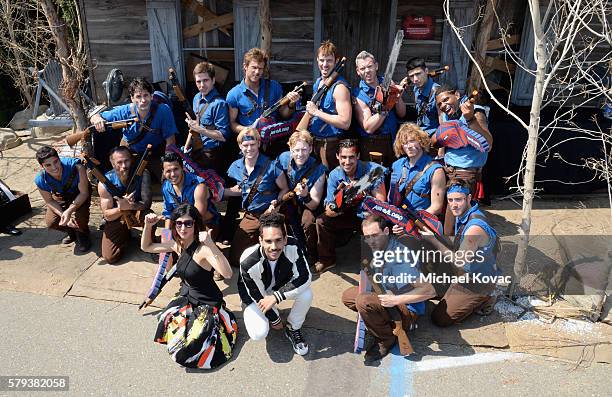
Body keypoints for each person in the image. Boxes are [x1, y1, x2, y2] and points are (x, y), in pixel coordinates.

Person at [140, 203, 237, 369]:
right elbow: (146, 246)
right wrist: (148, 226)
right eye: (179, 223)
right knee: (165, 319)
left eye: (188, 223)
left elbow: (228, 274)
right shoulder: (177, 245)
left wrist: (212, 244)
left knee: (188, 352)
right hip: (188, 297)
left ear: (195, 224)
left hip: (208, 303)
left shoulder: (204, 250)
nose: (183, 227)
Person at [342, 215, 436, 363]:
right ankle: (381, 321)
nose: (371, 240)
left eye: (375, 235)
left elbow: (429, 290)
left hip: (406, 309)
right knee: (348, 296)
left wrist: (395, 300)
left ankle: (386, 339)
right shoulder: (379, 246)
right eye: (367, 237)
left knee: (363, 301)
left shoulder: (399, 258)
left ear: (386, 231)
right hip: (388, 294)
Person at [425, 179, 499, 327]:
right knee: (428, 288)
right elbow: (455, 241)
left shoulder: (475, 228)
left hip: (476, 281)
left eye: (458, 199)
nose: (453, 204)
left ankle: (486, 298)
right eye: (450, 200)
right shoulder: (463, 213)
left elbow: (460, 261)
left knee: (440, 318)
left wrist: (433, 241)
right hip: (464, 270)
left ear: (469, 198)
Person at [238, 212, 312, 356]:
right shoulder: (248, 260)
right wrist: (275, 319)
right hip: (254, 295)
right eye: (268, 241)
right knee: (259, 333)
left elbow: (304, 277)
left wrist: (276, 297)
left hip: (276, 291)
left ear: (285, 239)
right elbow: (257, 295)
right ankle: (265, 313)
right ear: (260, 240)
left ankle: (293, 327)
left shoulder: (294, 246)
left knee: (307, 293)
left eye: (278, 240)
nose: (273, 247)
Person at [315, 139, 386, 274]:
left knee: (375, 224)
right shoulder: (335, 175)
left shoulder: (373, 170)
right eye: (343, 157)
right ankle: (327, 259)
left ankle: (378, 264)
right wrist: (340, 202)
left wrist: (362, 192)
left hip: (367, 215)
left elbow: (381, 202)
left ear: (358, 156)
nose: (347, 162)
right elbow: (328, 210)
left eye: (351, 157)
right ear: (337, 156)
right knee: (321, 221)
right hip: (345, 213)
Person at [90, 78, 178, 181]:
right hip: (130, 152)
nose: (143, 100)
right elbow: (95, 116)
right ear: (132, 98)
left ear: (152, 96)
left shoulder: (163, 110)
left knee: (168, 178)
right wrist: (97, 120)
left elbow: (170, 141)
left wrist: (167, 163)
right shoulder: (124, 111)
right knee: (119, 180)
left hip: (155, 153)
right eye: (138, 96)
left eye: (146, 95)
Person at [225, 128, 289, 267]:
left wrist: (277, 204)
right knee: (236, 258)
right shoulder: (235, 167)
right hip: (251, 216)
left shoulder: (272, 166)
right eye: (245, 145)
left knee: (277, 254)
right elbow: (241, 189)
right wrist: (221, 192)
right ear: (240, 146)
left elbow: (284, 188)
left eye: (253, 144)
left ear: (259, 143)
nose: (249, 148)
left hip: (269, 214)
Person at [435, 84, 493, 235]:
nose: (443, 105)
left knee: (452, 219)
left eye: (446, 99)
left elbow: (488, 144)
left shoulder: (477, 113)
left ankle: (450, 252)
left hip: (464, 174)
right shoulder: (447, 115)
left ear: (457, 94)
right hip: (449, 169)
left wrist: (471, 119)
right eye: (439, 103)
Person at [276, 130, 327, 263]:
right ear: (290, 148)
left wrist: (305, 196)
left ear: (310, 148)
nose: (300, 154)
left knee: (308, 222)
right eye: (296, 150)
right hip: (290, 200)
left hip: (307, 204)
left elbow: (314, 204)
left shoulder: (318, 169)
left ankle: (311, 254)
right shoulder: (283, 158)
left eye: (304, 149)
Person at [388, 123, 446, 235]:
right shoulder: (397, 165)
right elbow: (392, 198)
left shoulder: (435, 170)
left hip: (422, 225)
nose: (408, 146)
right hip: (400, 222)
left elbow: (437, 207)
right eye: (404, 143)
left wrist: (410, 222)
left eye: (412, 141)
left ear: (421, 141)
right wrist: (395, 220)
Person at [226, 48, 299, 134]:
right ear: (245, 66)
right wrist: (248, 131)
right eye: (254, 67)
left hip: (274, 137)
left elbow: (284, 114)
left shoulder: (274, 86)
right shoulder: (234, 94)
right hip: (249, 140)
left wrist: (291, 104)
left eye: (260, 68)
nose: (257, 72)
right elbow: (232, 123)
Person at [303, 40, 352, 170]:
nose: (325, 65)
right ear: (317, 61)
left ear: (336, 61)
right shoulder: (318, 82)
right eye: (322, 60)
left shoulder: (340, 88)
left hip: (330, 146)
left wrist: (317, 112)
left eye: (329, 61)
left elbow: (345, 122)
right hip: (315, 143)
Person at [98, 146, 152, 263]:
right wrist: (120, 209)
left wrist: (131, 206)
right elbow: (107, 215)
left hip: (137, 210)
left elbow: (147, 204)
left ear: (131, 160)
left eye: (126, 160)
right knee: (110, 257)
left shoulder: (143, 174)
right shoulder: (104, 182)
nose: (124, 166)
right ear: (112, 164)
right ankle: (125, 235)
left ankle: (150, 243)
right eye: (119, 162)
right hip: (116, 216)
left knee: (150, 217)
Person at [353, 51, 406, 167]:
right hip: (372, 143)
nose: (367, 71)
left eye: (370, 66)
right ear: (358, 71)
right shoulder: (358, 95)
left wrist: (398, 97)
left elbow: (402, 113)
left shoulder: (388, 82)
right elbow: (368, 128)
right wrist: (386, 107)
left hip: (393, 140)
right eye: (362, 68)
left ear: (376, 66)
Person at [34, 146, 91, 251]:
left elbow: (84, 193)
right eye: (48, 165)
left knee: (80, 217)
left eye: (56, 162)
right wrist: (63, 215)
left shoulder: (77, 167)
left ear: (59, 159)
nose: (54, 167)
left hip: (79, 193)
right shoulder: (40, 179)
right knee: (51, 222)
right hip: (61, 195)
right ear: (42, 166)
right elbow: (49, 201)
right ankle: (71, 231)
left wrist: (69, 211)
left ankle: (82, 233)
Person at [184, 61, 231, 175]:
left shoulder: (219, 104)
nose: (202, 85)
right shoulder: (196, 98)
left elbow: (223, 136)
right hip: (196, 149)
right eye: (198, 81)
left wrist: (200, 129)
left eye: (205, 80)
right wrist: (186, 148)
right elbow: (194, 126)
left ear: (213, 80)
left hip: (212, 154)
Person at [160, 152, 220, 237]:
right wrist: (166, 238)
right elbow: (168, 214)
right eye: (168, 171)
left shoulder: (199, 186)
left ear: (182, 168)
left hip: (203, 224)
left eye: (176, 169)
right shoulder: (166, 186)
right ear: (163, 172)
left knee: (199, 245)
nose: (173, 174)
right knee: (165, 242)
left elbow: (198, 216)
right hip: (181, 224)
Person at [401, 57, 440, 136]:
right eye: (411, 76)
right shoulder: (416, 89)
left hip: (433, 138)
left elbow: (443, 125)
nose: (415, 79)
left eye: (418, 74)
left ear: (426, 71)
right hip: (420, 133)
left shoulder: (437, 93)